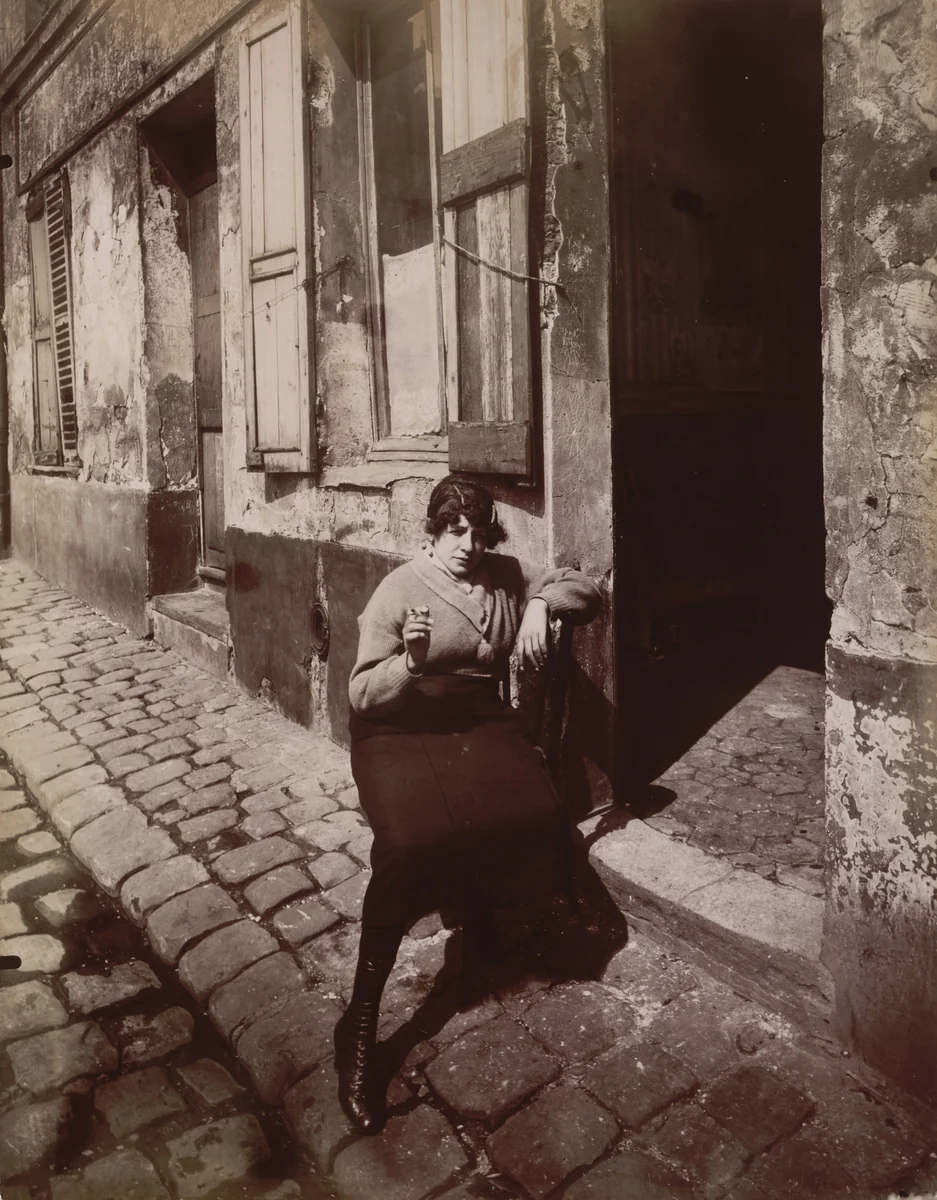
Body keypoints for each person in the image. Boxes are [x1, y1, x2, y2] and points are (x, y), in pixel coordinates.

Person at [337, 475, 601, 1133]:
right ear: (431, 532)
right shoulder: (397, 590)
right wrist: (412, 664)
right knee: (407, 845)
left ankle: (477, 909)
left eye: (478, 534)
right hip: (399, 725)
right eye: (454, 532)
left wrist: (541, 601)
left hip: (476, 721)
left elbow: (584, 588)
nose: (466, 546)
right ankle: (361, 1025)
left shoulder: (503, 574)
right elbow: (362, 694)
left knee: (532, 811)